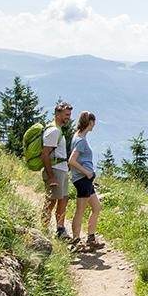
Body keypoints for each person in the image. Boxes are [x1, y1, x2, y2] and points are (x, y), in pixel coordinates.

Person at [69, 110, 103, 249]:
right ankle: (76, 241)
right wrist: (87, 173)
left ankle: (90, 238)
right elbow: (72, 160)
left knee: (96, 207)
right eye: (94, 122)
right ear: (90, 122)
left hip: (85, 180)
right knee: (80, 210)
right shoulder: (81, 141)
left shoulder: (77, 136)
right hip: (83, 179)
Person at [41, 101, 74, 239]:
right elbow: (45, 154)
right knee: (51, 201)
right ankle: (43, 229)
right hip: (55, 170)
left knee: (63, 199)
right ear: (57, 114)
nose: (68, 117)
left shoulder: (58, 130)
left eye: (69, 115)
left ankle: (60, 229)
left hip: (61, 169)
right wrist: (51, 176)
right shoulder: (53, 131)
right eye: (66, 114)